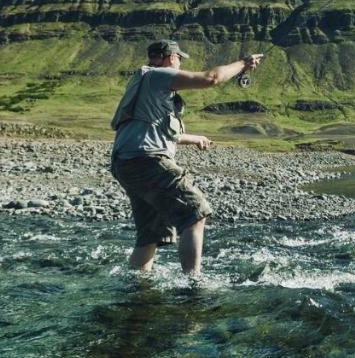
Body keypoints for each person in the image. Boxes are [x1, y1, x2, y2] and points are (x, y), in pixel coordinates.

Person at [109, 39, 262, 275]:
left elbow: (161, 131)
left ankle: (137, 285)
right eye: (179, 59)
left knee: (150, 234)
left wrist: (196, 138)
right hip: (147, 160)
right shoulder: (158, 75)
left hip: (127, 164)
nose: (179, 64)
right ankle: (193, 285)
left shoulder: (142, 82)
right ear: (171, 57)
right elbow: (212, 78)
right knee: (195, 213)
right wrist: (243, 63)